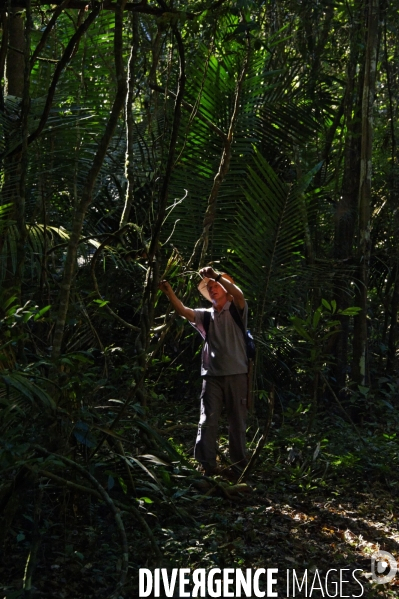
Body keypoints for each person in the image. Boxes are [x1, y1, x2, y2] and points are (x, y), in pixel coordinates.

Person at [158, 266, 248, 476]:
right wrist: (168, 291)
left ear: (225, 289)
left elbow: (239, 294)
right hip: (211, 376)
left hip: (237, 373)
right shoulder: (205, 316)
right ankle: (207, 465)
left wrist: (215, 275)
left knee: (237, 421)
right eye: (210, 287)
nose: (213, 288)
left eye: (217, 285)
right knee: (207, 420)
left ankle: (239, 467)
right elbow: (183, 311)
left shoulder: (237, 309)